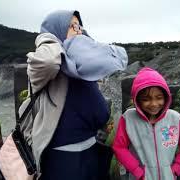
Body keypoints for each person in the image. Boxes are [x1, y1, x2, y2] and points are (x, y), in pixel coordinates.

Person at [20, 10, 128, 180]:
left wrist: (85, 45)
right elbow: (48, 61)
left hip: (90, 151)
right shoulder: (46, 66)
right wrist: (48, 38)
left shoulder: (79, 64)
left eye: (79, 26)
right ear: (57, 30)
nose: (78, 30)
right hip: (63, 158)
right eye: (71, 26)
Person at [112, 67, 180, 180]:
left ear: (166, 97)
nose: (154, 104)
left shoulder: (176, 119)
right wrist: (137, 171)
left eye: (159, 98)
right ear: (137, 100)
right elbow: (119, 147)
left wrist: (176, 169)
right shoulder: (128, 118)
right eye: (146, 99)